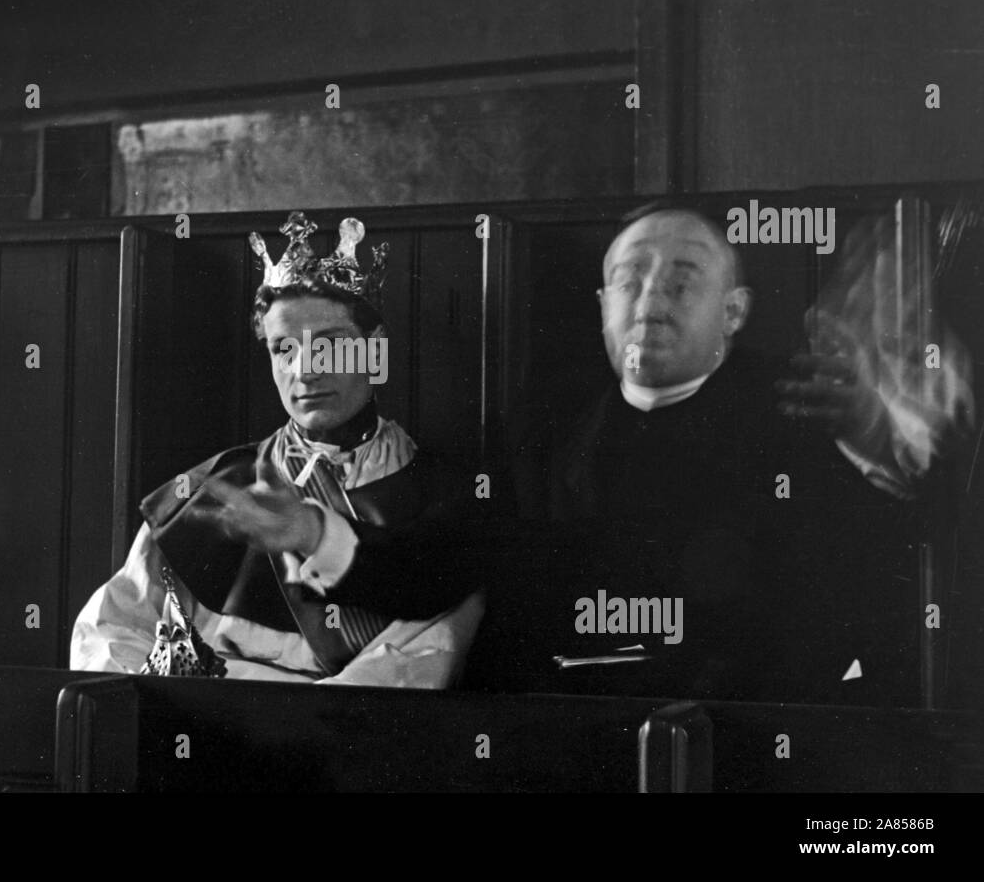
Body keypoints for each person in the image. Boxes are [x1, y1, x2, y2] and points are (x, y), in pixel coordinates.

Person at [480, 201, 925, 706]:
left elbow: (852, 593)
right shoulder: (545, 424)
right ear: (604, 305)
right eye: (629, 283)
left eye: (681, 283)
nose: (649, 302)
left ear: (733, 311)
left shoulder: (799, 419)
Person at [72, 212, 490, 687]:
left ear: (375, 352)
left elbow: (416, 671)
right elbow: (110, 630)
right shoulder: (219, 486)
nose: (304, 371)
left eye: (329, 344)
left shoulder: (445, 494)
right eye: (283, 349)